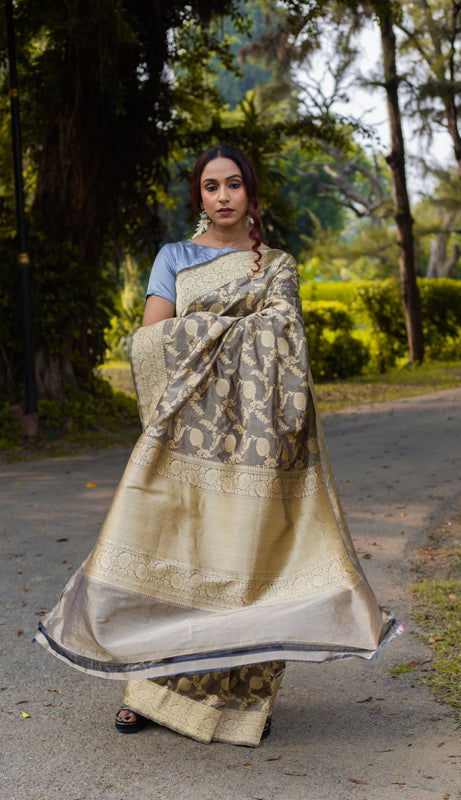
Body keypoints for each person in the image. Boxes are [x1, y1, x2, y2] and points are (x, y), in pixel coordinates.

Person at [36, 145, 400, 747]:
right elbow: (153, 340)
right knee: (174, 556)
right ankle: (146, 691)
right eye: (211, 186)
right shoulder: (175, 258)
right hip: (183, 436)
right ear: (199, 196)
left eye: (234, 184)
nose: (224, 196)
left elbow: (286, 335)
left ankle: (242, 702)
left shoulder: (275, 264)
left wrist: (207, 331)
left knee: (246, 565)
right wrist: (225, 331)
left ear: (250, 193)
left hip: (258, 444)